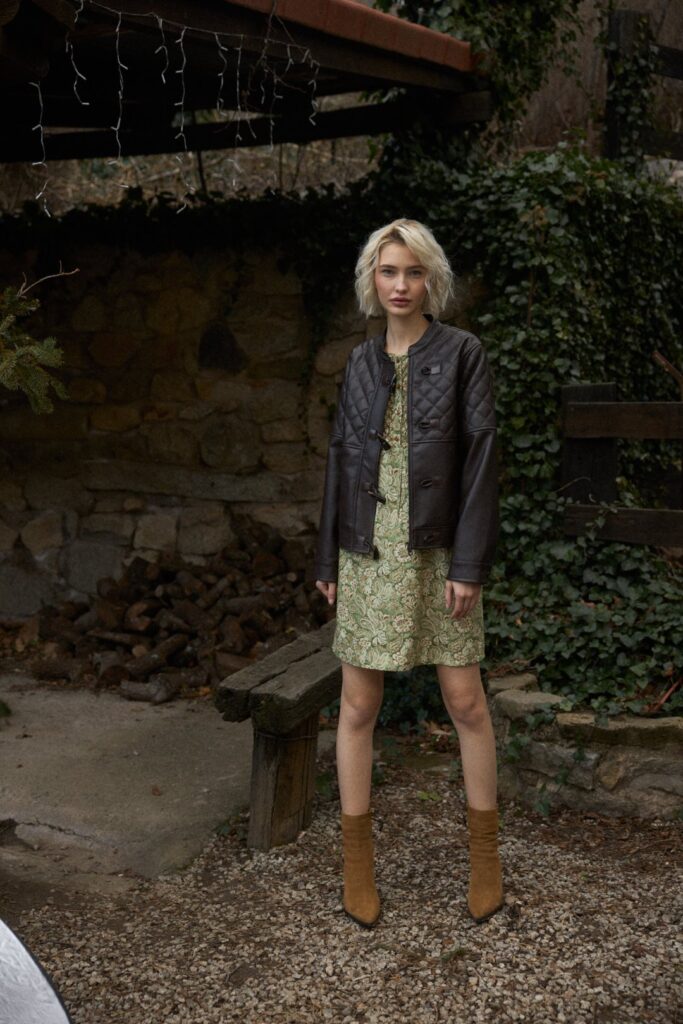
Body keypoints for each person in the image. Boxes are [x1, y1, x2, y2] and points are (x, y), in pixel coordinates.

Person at [314, 218, 503, 929]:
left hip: (438, 549)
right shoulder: (360, 362)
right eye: (389, 271)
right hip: (366, 549)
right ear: (374, 278)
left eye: (413, 272)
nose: (400, 285)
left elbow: (481, 458)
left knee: (466, 701)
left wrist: (468, 563)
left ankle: (484, 858)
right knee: (358, 707)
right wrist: (326, 558)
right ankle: (356, 865)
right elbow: (339, 460)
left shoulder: (462, 353)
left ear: (431, 280)